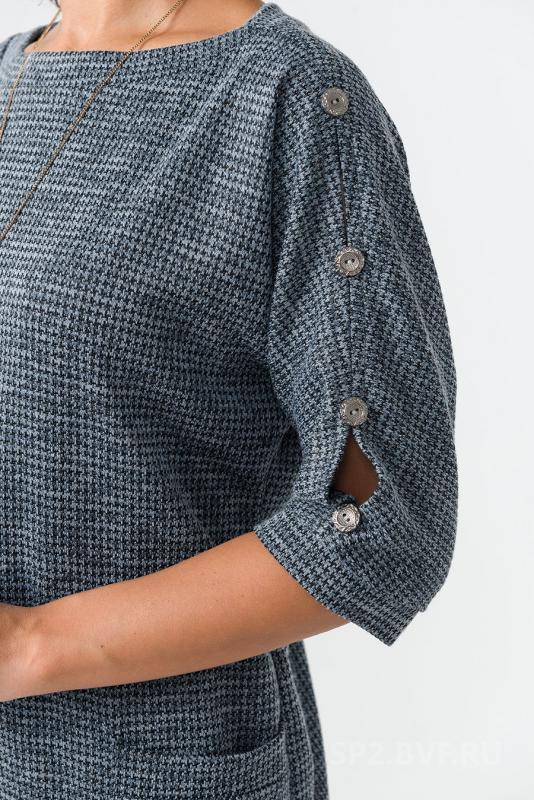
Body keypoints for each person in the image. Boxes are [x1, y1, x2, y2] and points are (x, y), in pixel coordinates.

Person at [0, 0, 458, 797]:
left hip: (145, 768)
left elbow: (378, 511)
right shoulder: (11, 72)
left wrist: (29, 644)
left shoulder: (291, 98)